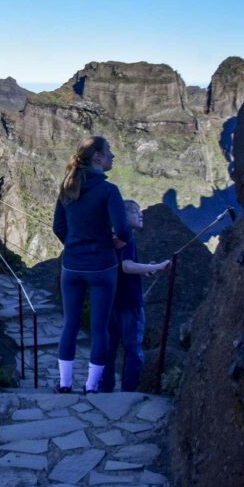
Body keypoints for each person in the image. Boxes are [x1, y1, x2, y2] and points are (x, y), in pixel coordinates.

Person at [52, 135, 132, 394]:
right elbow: (123, 229)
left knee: (70, 325)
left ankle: (64, 383)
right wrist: (116, 243)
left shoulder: (67, 186)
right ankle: (91, 386)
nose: (113, 156)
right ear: (97, 156)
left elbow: (58, 227)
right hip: (102, 266)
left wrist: (75, 245)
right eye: (109, 151)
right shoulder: (109, 191)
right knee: (99, 328)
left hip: (72, 266)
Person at [100, 200, 170, 392]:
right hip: (129, 301)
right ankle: (129, 390)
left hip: (109, 300)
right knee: (133, 348)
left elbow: (119, 267)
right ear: (124, 216)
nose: (141, 215)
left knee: (109, 348)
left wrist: (144, 270)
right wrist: (156, 267)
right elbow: (127, 266)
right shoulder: (128, 236)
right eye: (136, 212)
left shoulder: (111, 236)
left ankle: (105, 387)